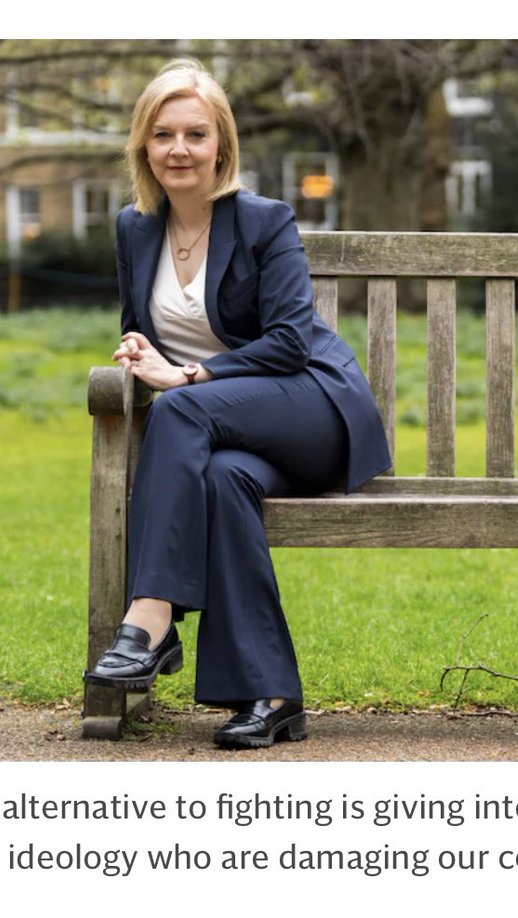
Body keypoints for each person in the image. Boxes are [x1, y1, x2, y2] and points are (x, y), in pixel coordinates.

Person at [84, 59, 391, 748]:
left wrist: (188, 376)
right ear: (144, 146)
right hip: (234, 438)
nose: (179, 149)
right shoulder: (135, 229)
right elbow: (145, 324)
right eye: (163, 135)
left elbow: (287, 342)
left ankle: (150, 620)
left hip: (312, 409)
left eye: (195, 134)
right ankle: (272, 694)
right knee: (222, 482)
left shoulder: (263, 221)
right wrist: (139, 352)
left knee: (181, 411)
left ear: (221, 144)